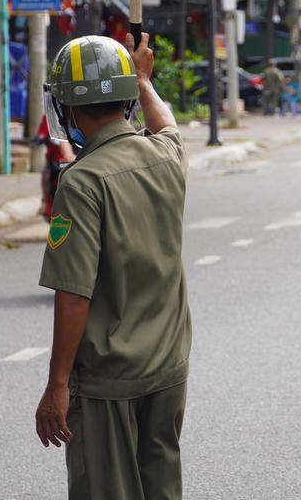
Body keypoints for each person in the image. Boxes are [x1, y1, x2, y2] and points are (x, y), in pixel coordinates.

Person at [35, 33, 192, 500]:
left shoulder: (82, 182)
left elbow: (73, 294)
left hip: (109, 380)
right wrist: (143, 81)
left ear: (69, 107)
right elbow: (168, 127)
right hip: (167, 367)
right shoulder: (166, 157)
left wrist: (57, 385)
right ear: (125, 99)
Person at [36, 114, 77, 221]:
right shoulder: (50, 115)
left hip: (77, 158)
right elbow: (44, 133)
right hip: (57, 159)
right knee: (46, 176)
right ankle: (45, 204)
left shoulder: (80, 115)